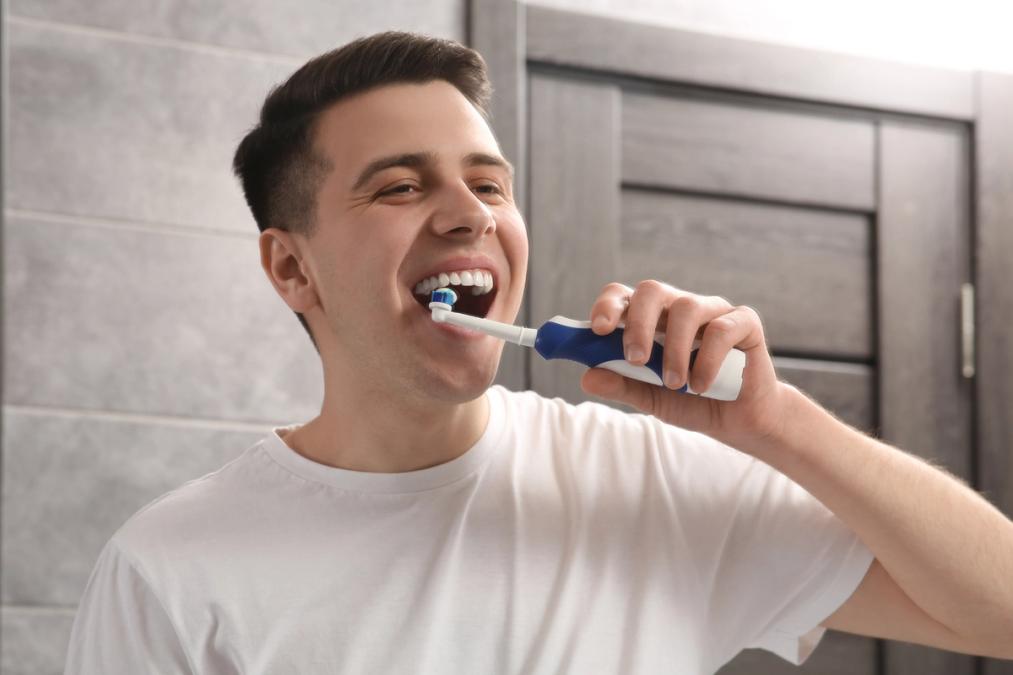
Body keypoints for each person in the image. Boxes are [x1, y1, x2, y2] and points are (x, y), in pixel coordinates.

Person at [64, 31, 1013, 674]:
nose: (471, 212)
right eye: (398, 187)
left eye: (489, 184)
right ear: (292, 267)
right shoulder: (171, 568)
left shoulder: (654, 482)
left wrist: (779, 425)